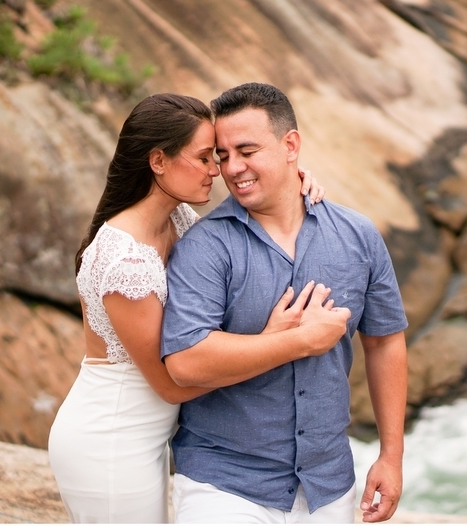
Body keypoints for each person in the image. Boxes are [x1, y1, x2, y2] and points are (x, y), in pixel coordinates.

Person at [47, 93, 346, 523]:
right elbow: (171, 384)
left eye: (218, 156)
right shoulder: (123, 261)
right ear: (158, 161)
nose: (217, 170)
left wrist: (293, 179)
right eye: (205, 158)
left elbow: (255, 200)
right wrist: (274, 342)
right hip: (111, 439)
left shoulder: (179, 220)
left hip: (151, 436)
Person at [161, 83, 409, 524]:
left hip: (328, 487)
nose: (233, 168)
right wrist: (302, 340)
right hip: (224, 485)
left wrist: (391, 456)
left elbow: (385, 342)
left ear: (290, 145)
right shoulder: (205, 247)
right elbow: (185, 362)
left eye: (247, 150)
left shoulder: (358, 235)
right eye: (223, 155)